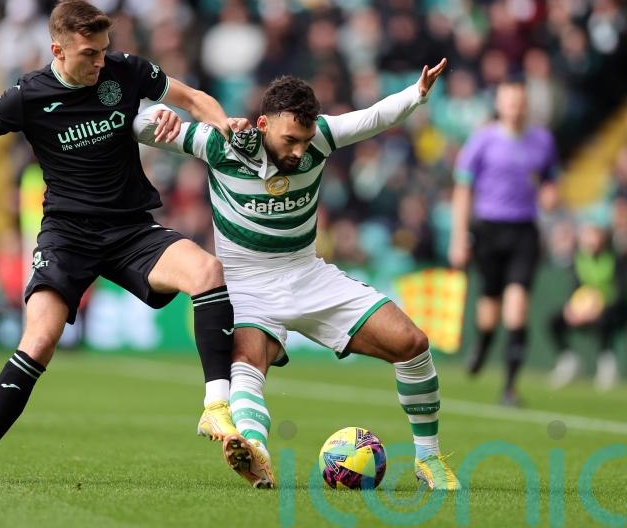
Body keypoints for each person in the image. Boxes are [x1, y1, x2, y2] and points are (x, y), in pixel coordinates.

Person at [0, 0, 245, 484]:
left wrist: (224, 122)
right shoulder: (28, 95)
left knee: (207, 271)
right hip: (67, 234)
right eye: (90, 54)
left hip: (130, 228)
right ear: (58, 50)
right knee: (39, 340)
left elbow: (190, 98)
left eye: (105, 50)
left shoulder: (126, 71)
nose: (101, 61)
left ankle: (215, 405)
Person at [134, 59, 461, 490]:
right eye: (290, 139)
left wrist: (416, 93)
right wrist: (152, 116)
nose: (299, 151)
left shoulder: (320, 137)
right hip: (246, 282)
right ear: (263, 123)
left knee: (412, 343)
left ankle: (428, 460)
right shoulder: (218, 143)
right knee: (247, 363)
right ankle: (253, 448)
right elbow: (135, 126)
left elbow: (372, 118)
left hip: (306, 274)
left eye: (305, 141)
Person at [449, 78, 559, 406]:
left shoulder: (542, 140)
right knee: (489, 308)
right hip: (489, 229)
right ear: (499, 104)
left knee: (517, 307)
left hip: (524, 229)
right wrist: (459, 235)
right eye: (508, 100)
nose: (514, 107)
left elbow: (552, 177)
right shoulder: (483, 140)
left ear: (526, 105)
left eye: (519, 101)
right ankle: (482, 345)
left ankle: (510, 387)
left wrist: (551, 194)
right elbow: (463, 188)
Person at [548, 216, 626, 391]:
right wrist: (572, 308)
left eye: (593, 235)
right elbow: (575, 287)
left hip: (613, 309)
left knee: (604, 320)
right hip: (585, 310)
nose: (589, 240)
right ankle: (568, 361)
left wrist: (599, 307)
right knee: (554, 320)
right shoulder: (579, 258)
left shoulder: (616, 258)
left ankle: (606, 363)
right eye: (586, 236)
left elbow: (620, 293)